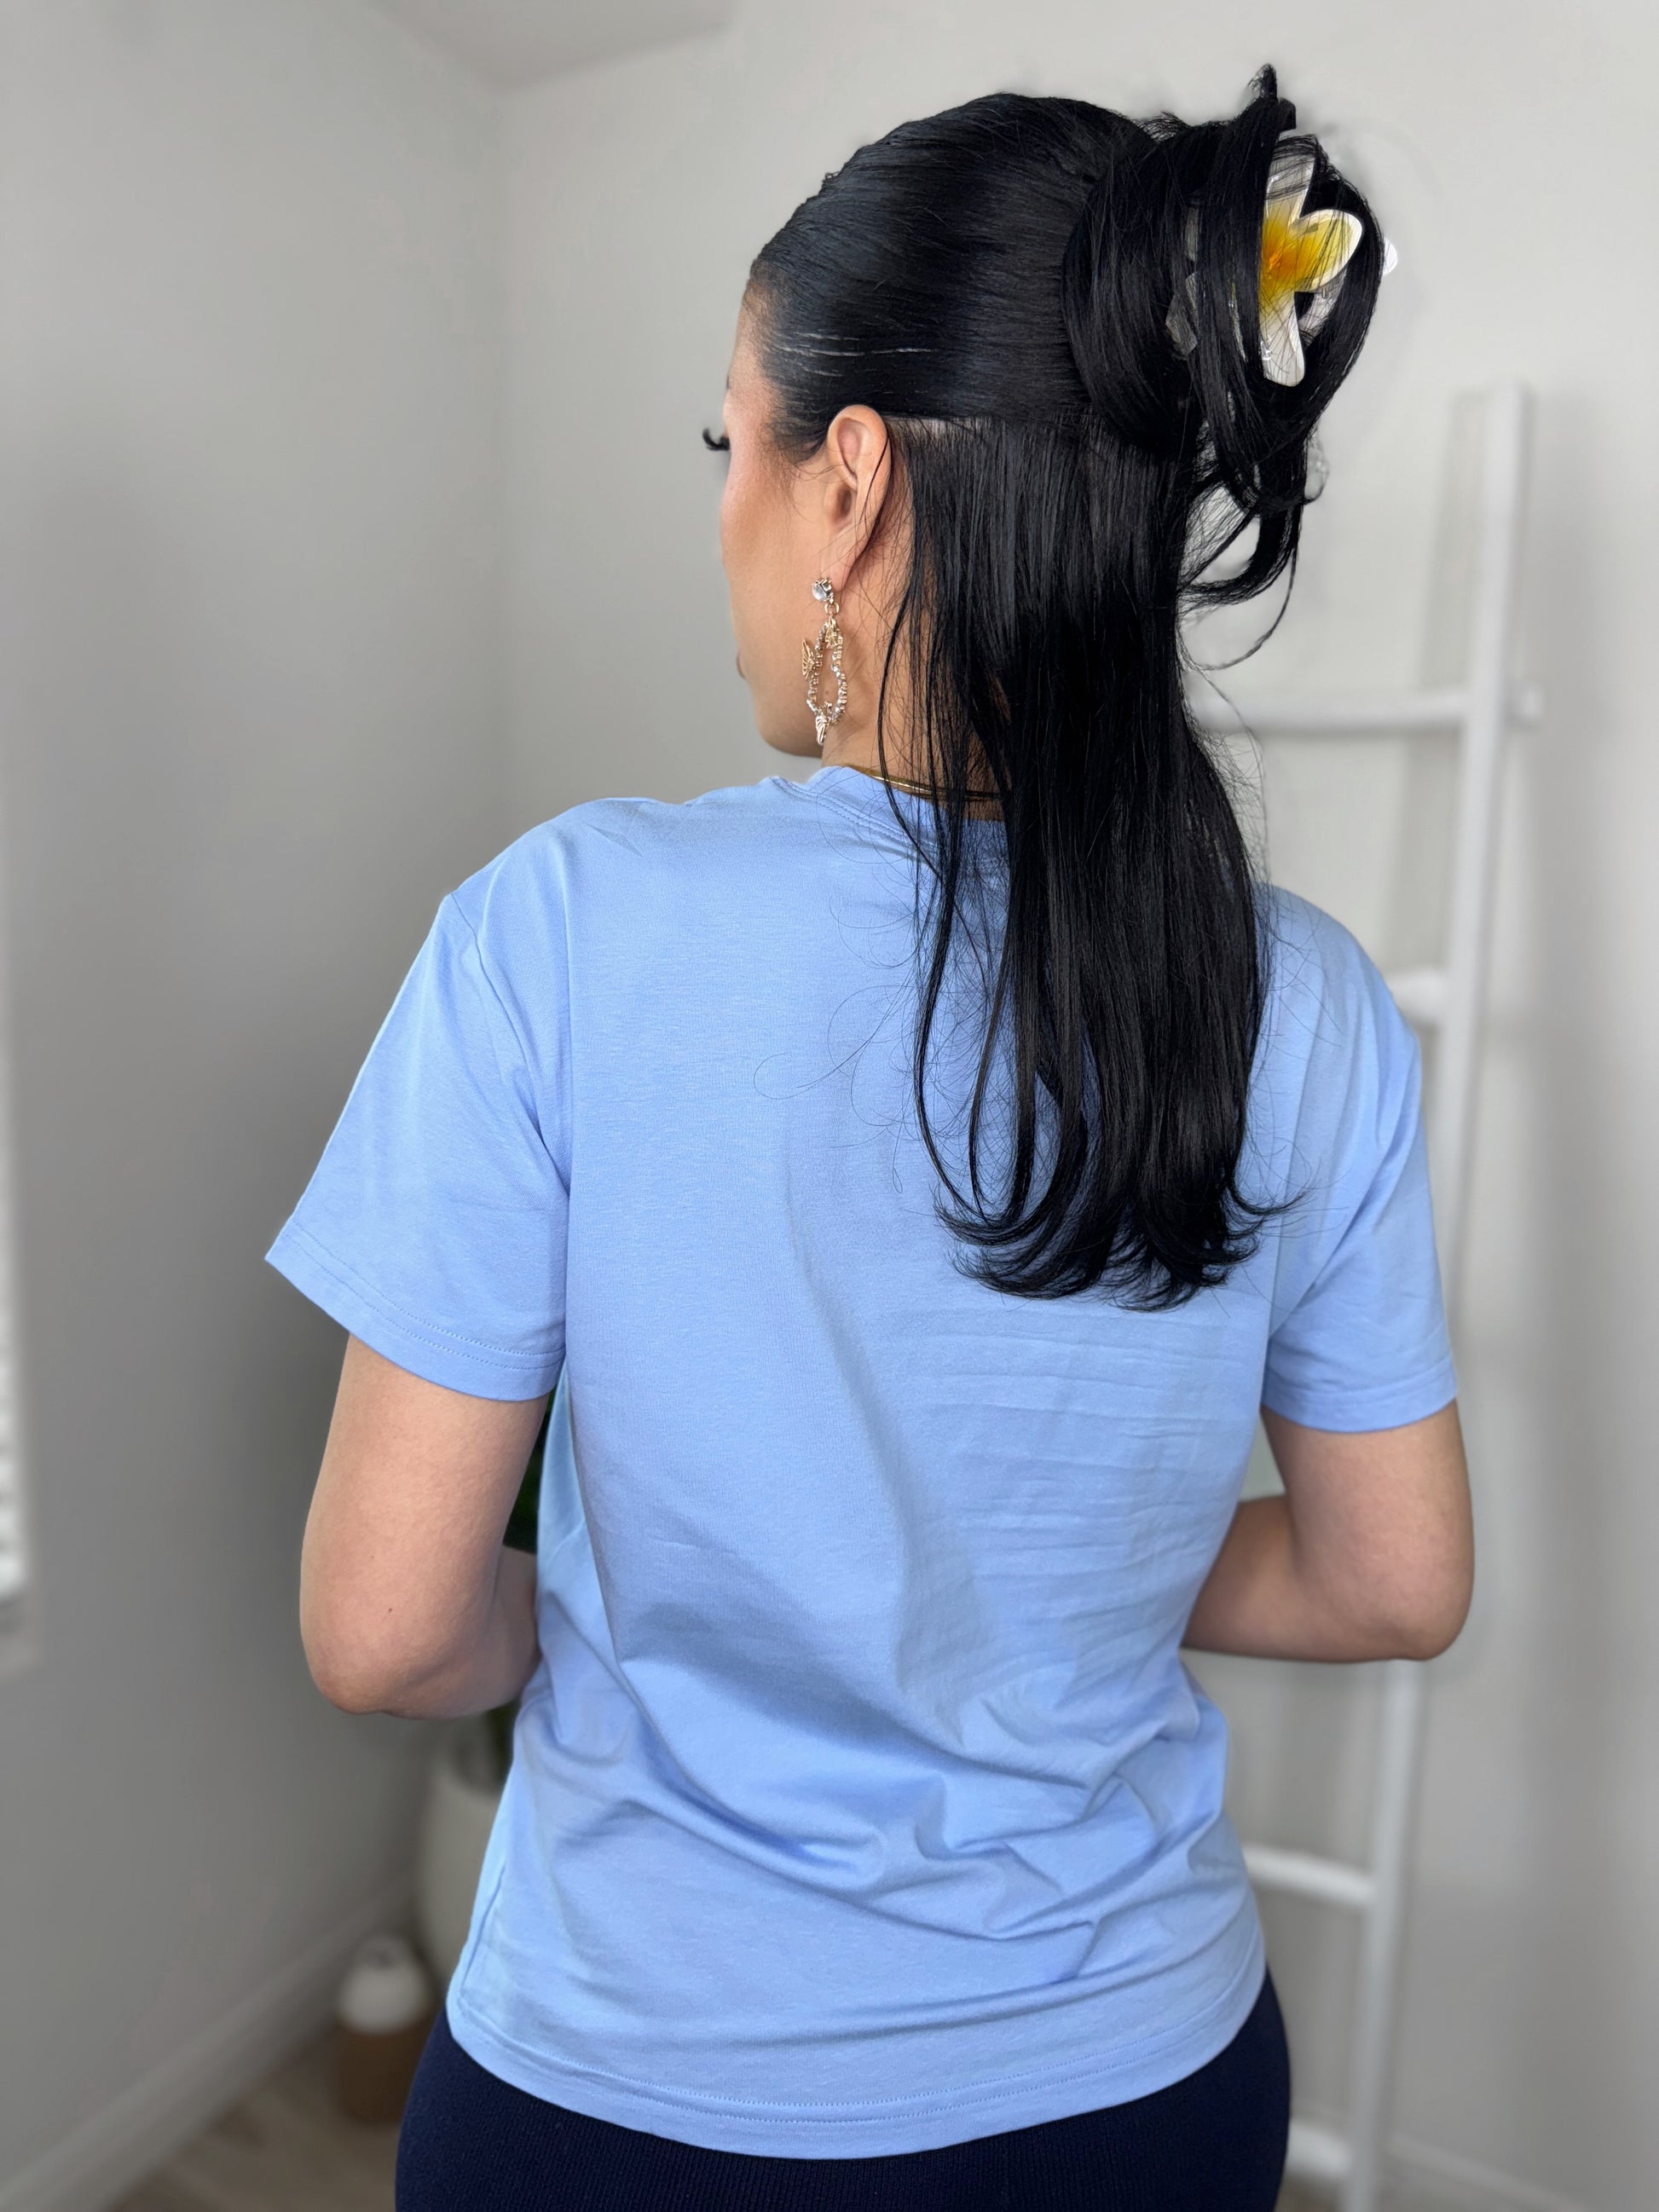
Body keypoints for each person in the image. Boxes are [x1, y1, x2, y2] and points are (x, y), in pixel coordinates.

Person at [267, 65, 1473, 2212]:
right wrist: (1051, 1581)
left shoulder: (559, 928)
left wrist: (629, 1603)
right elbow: (1396, 1579)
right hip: (1142, 2089)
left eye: (724, 443)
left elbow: (383, 1626)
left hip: (634, 2104)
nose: (721, 510)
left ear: (842, 485)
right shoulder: (1302, 998)